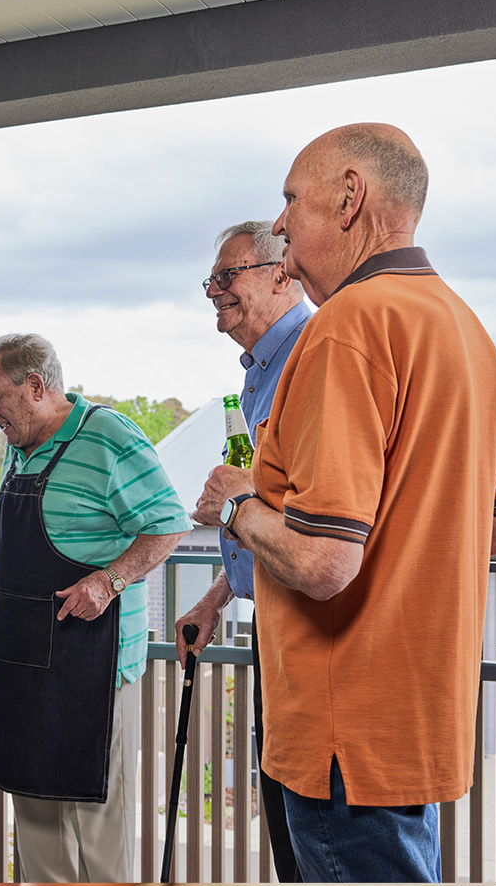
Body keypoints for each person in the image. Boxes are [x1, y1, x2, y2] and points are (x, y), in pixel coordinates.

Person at [194, 124, 496, 883]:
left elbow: (321, 561)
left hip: (342, 737)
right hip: (416, 723)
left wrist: (238, 506)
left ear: (350, 197)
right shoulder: (467, 331)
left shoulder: (346, 327)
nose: (280, 225)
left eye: (290, 201)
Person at [0, 333, 191, 883]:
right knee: (34, 818)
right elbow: (21, 496)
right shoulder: (23, 443)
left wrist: (109, 582)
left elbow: (168, 522)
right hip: (20, 664)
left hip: (93, 667)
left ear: (35, 387)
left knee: (97, 828)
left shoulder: (109, 436)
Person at [175, 219, 309, 884]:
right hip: (273, 621)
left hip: (314, 624)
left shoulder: (314, 354)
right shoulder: (261, 371)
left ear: (282, 273)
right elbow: (266, 502)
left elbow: (312, 509)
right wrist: (218, 594)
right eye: (211, 279)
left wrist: (233, 502)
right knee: (285, 813)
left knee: (316, 830)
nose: (214, 291)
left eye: (230, 276)